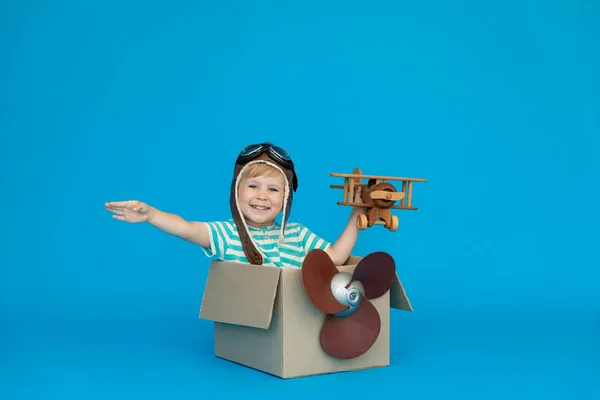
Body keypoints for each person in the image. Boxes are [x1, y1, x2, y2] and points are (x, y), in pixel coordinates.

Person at [105, 142, 363, 268]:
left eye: (273, 190)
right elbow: (185, 228)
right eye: (253, 186)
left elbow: (336, 258)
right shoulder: (227, 235)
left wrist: (357, 214)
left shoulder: (297, 235)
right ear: (236, 192)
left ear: (286, 200)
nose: (262, 196)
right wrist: (151, 214)